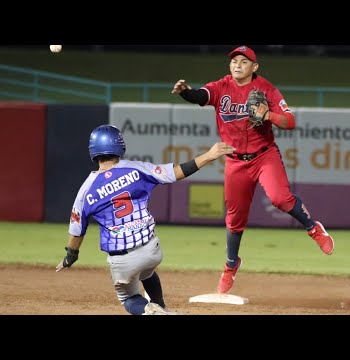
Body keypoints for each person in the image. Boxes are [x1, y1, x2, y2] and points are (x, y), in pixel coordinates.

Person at [171, 45, 335, 294]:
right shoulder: (221, 86)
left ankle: (314, 228)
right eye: (234, 61)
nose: (237, 65)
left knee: (280, 199)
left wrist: (268, 114)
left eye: (244, 61)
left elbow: (290, 122)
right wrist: (186, 93)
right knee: (235, 221)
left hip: (264, 155)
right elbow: (201, 96)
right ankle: (230, 266)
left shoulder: (266, 89)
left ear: (254, 67)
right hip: (235, 161)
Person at [56, 124, 235, 315]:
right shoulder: (136, 169)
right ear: (120, 146)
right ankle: (162, 308)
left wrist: (71, 256)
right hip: (151, 249)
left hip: (122, 259)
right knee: (147, 272)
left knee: (129, 298)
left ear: (93, 151)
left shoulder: (86, 190)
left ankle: (151, 310)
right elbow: (176, 173)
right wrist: (208, 155)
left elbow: (77, 230)